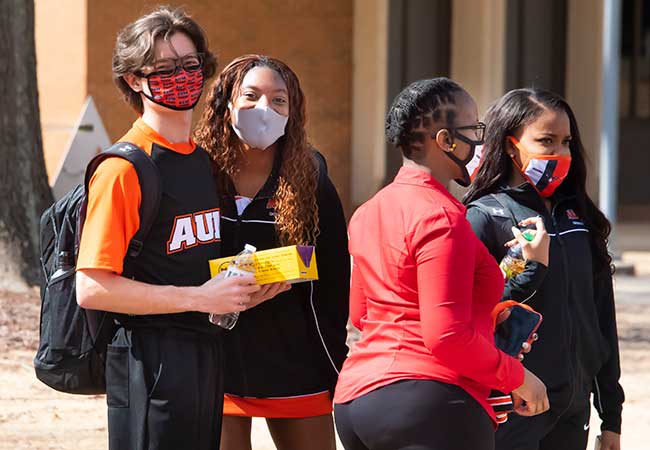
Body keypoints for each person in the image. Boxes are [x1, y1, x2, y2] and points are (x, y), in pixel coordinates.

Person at [75, 8, 287, 450]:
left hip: (205, 355)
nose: (182, 77)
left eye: (190, 65)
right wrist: (199, 298)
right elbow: (93, 288)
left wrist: (253, 282)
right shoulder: (123, 168)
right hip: (148, 363)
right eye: (165, 68)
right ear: (135, 80)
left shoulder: (202, 162)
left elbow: (191, 263)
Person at [332, 77, 549, 450]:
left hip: (357, 400)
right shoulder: (442, 217)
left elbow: (362, 314)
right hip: (429, 401)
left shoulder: (368, 212)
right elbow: (445, 336)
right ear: (446, 141)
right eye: (474, 130)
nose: (481, 143)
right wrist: (518, 376)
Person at [194, 55, 350, 450]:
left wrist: (281, 270)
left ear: (291, 111)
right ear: (226, 102)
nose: (265, 109)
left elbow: (331, 267)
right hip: (215, 357)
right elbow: (175, 256)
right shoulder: (196, 170)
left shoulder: (310, 174)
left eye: (279, 100)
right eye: (251, 96)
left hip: (295, 357)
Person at [464, 88, 624, 450]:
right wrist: (524, 264)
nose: (560, 154)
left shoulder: (579, 218)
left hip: (573, 406)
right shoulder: (485, 216)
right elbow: (470, 315)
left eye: (566, 141)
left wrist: (610, 416)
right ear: (509, 145)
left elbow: (600, 317)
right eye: (546, 141)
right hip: (515, 402)